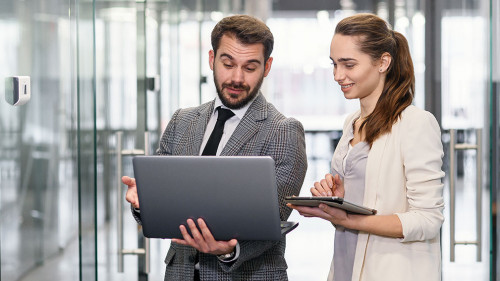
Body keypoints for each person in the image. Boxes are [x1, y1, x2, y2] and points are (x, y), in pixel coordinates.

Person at [122, 14, 307, 281]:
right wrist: (145, 204)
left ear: (267, 67)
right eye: (228, 63)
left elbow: (274, 221)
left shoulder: (283, 131)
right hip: (181, 273)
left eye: (250, 67)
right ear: (212, 59)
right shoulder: (182, 121)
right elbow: (161, 210)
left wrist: (230, 250)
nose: (236, 77)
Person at [288, 13, 445, 281]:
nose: (338, 75)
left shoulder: (415, 124)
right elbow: (371, 193)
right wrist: (339, 195)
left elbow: (428, 220)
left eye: (348, 64)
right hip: (346, 265)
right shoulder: (352, 122)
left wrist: (348, 219)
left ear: (383, 62)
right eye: (334, 64)